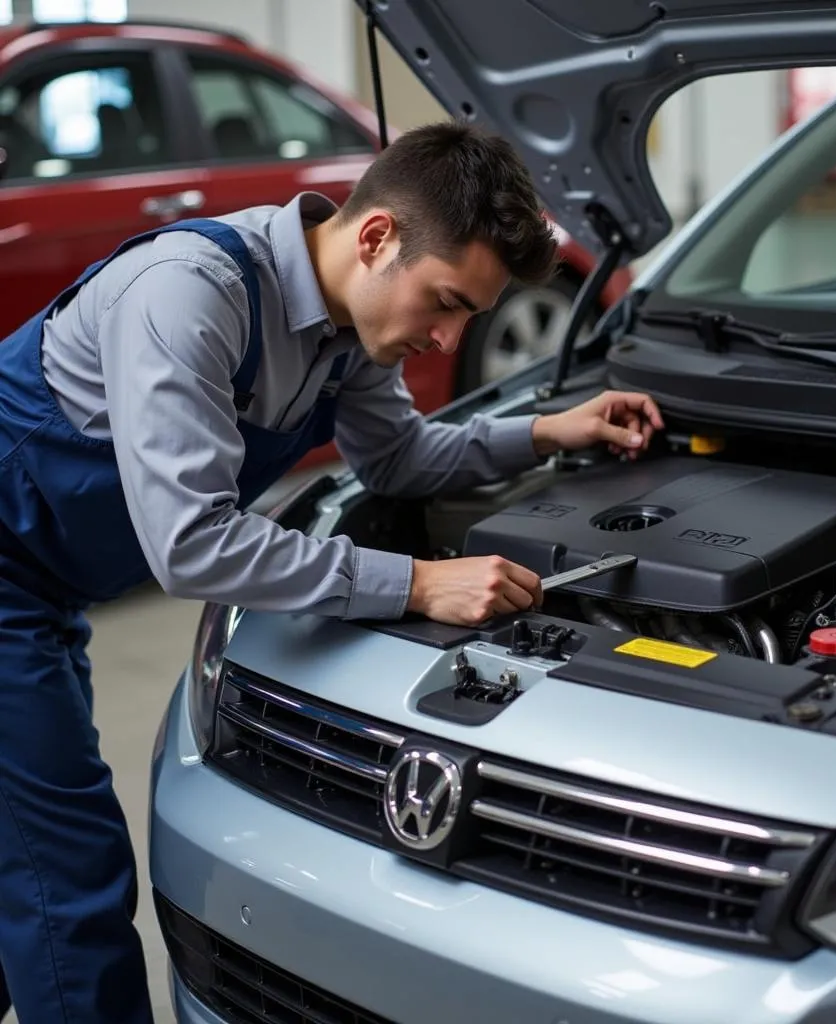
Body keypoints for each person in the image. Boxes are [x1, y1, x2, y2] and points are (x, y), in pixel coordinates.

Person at [0, 120, 664, 1021]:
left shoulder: (345, 327)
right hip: (8, 579)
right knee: (69, 879)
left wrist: (550, 429)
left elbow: (399, 461)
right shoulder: (190, 296)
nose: (446, 337)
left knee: (28, 872)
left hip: (47, 579)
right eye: (445, 301)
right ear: (378, 236)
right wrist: (420, 583)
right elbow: (193, 545)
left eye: (466, 313)